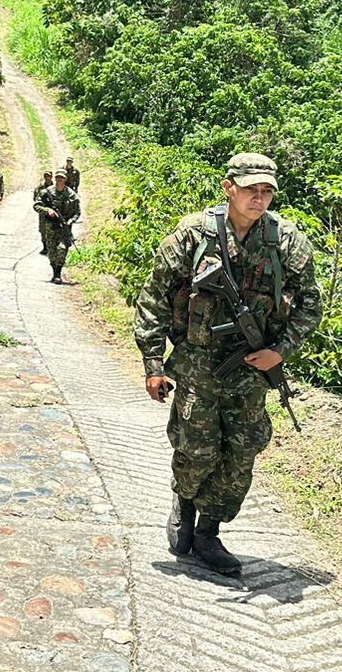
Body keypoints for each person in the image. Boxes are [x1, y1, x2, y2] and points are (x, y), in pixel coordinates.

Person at [131, 153, 322, 577]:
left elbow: (311, 303)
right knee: (196, 448)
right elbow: (153, 297)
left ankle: (209, 531)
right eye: (251, 189)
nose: (259, 198)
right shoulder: (194, 234)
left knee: (241, 453)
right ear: (229, 187)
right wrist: (153, 363)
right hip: (198, 361)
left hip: (251, 366)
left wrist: (281, 350)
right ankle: (183, 502)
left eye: (267, 191)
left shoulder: (286, 241)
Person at [33, 169, 81, 284]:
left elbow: (77, 212)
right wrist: (47, 210)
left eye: (62, 178)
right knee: (52, 251)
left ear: (65, 179)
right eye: (57, 178)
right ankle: (54, 272)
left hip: (64, 228)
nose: (59, 180)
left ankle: (58, 273)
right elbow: (36, 206)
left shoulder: (71, 195)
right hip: (50, 227)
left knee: (62, 249)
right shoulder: (47, 192)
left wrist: (70, 221)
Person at [34, 170, 55, 254]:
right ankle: (45, 246)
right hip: (43, 212)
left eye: (49, 176)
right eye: (45, 176)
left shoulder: (56, 186)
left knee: (53, 230)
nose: (47, 178)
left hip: (53, 212)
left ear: (51, 177)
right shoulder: (40, 188)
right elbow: (35, 198)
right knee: (42, 230)